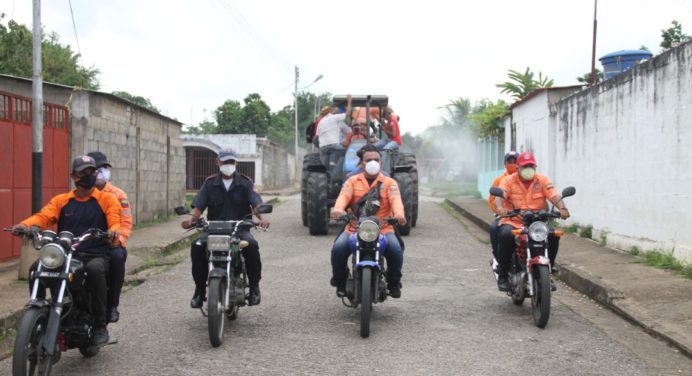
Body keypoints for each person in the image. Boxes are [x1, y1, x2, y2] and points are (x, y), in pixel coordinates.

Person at [9, 155, 122, 345]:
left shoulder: (106, 199)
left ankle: (100, 325)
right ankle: (37, 313)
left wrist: (113, 232)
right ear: (73, 176)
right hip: (66, 254)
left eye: (91, 171)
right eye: (83, 172)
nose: (88, 175)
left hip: (95, 253)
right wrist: (24, 225)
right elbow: (44, 216)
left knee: (95, 270)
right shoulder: (62, 200)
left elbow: (115, 221)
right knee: (36, 268)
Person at [181, 148, 270, 308]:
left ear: (236, 163)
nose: (228, 165)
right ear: (218, 162)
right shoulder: (209, 183)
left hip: (239, 229)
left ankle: (255, 287)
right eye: (224, 162)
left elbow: (256, 204)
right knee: (197, 246)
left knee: (252, 246)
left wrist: (262, 217)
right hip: (213, 229)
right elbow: (198, 207)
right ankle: (200, 290)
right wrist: (190, 220)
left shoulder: (245, 182)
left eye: (231, 162)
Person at [329, 144, 407, 298]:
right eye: (369, 160)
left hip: (383, 228)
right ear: (361, 163)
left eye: (376, 159)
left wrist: (399, 215)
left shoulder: (389, 182)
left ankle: (393, 282)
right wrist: (338, 209)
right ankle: (340, 281)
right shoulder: (352, 181)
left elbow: (396, 200)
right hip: (354, 227)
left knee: (396, 250)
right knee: (338, 249)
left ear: (381, 162)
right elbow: (343, 197)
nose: (373, 162)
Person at [494, 152, 569, 292]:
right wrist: (500, 208)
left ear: (535, 166)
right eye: (525, 166)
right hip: (514, 220)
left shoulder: (542, 180)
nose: (528, 168)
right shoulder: (509, 181)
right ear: (518, 167)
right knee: (505, 235)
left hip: (537, 223)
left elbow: (553, 194)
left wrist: (562, 208)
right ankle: (503, 274)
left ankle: (548, 270)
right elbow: (501, 194)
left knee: (553, 235)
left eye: (531, 166)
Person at [87, 151, 132, 324]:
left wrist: (118, 240)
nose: (102, 171)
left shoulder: (118, 195)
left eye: (105, 168)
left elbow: (126, 223)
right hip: (86, 243)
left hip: (110, 243)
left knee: (117, 258)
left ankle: (112, 305)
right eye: (99, 168)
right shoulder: (81, 194)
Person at [488, 151, 518, 264]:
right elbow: (492, 200)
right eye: (509, 162)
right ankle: (499, 258)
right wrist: (500, 210)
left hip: (523, 215)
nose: (512, 164)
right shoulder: (499, 180)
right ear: (505, 164)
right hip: (506, 216)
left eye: (515, 161)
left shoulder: (525, 179)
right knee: (494, 228)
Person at [316, 95, 352, 168]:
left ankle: (330, 169)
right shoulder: (335, 118)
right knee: (348, 154)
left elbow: (317, 135)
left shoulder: (320, 122)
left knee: (324, 167)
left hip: (322, 147)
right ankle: (338, 170)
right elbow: (348, 114)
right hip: (334, 145)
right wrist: (349, 101)